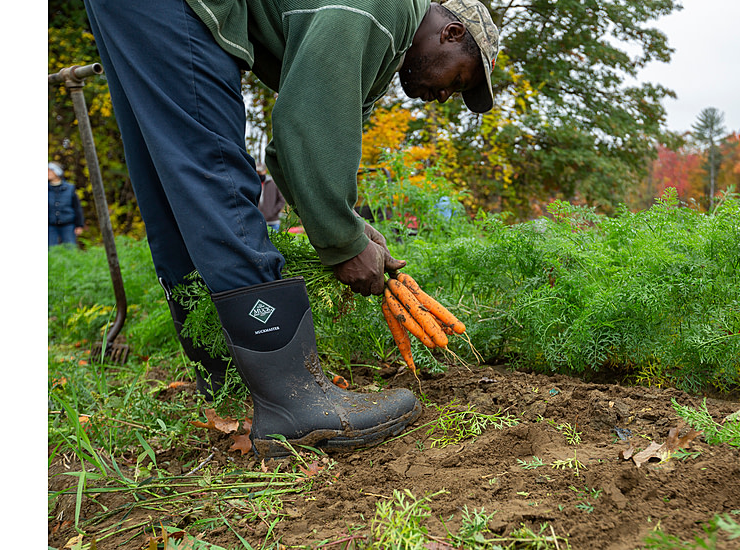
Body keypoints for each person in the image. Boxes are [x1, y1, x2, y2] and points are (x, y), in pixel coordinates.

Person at [81, 0, 499, 458]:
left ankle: (229, 382)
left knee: (172, 178)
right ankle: (292, 400)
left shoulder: (377, 44)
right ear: (452, 34)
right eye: (458, 80)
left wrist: (349, 223)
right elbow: (301, 126)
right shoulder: (386, 11)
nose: (443, 97)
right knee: (213, 165)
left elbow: (292, 152)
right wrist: (343, 243)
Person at [48, 161, 85, 246]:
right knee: (51, 250)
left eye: (50, 171)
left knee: (70, 249)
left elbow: (77, 208)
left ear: (57, 172)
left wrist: (79, 225)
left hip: (68, 225)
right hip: (50, 226)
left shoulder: (69, 188)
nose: (48, 173)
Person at [257, 163, 287, 232]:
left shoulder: (273, 183)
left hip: (273, 222)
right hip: (258, 222)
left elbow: (282, 200)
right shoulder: (253, 184)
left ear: (265, 171)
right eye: (257, 172)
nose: (259, 174)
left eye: (260, 171)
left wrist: (272, 212)